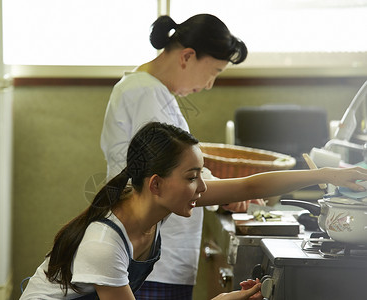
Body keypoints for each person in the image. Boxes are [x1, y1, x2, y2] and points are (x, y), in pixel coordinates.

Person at [21, 122, 367, 300]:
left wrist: (328, 174)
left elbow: (249, 186)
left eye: (200, 173)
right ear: (156, 183)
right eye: (192, 177)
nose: (202, 187)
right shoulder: (104, 244)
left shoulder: (156, 200)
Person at [100, 14, 260, 299]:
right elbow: (174, 174)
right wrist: (229, 192)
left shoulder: (152, 92)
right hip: (152, 258)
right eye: (214, 71)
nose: (210, 84)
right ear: (187, 56)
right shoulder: (145, 94)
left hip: (157, 255)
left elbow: (182, 168)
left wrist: (223, 192)